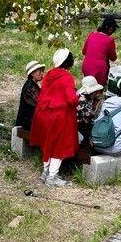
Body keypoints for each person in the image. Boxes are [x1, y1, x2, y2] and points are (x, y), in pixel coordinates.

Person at [30, 48, 80, 186]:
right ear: (68, 62)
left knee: (47, 143)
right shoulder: (67, 77)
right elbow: (71, 100)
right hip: (59, 115)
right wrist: (79, 97)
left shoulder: (49, 75)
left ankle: (45, 171)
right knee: (59, 145)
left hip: (43, 113)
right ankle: (52, 176)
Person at [81, 16, 119, 87]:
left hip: (86, 67)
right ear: (110, 29)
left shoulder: (92, 35)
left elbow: (84, 52)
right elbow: (113, 58)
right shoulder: (109, 40)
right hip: (99, 69)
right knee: (98, 91)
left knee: (89, 89)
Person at [15, 61, 44, 131]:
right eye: (39, 71)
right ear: (32, 74)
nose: (41, 73)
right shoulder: (29, 87)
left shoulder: (33, 85)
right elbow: (40, 103)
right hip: (27, 122)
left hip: (31, 120)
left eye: (41, 71)